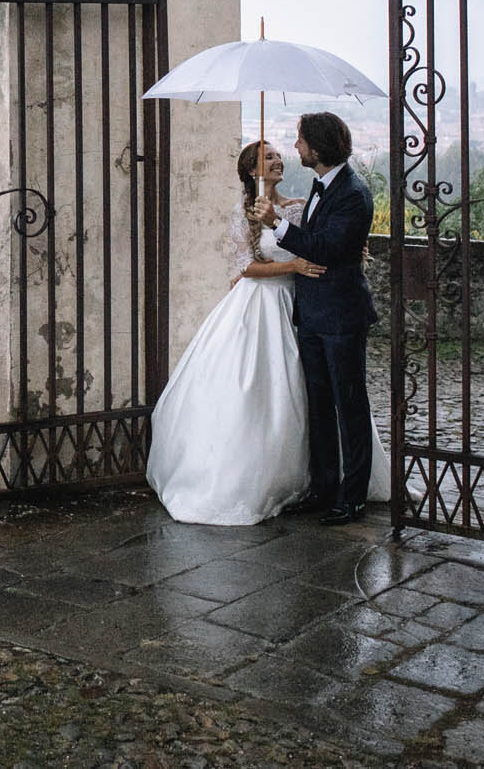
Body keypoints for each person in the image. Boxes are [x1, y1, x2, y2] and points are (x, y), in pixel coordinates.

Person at [147, 140, 388, 525]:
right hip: (258, 305)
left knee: (310, 394)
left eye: (278, 155)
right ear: (251, 172)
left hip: (301, 307)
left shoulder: (297, 206)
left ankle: (329, 480)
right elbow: (246, 267)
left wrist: (348, 248)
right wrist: (292, 265)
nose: (278, 160)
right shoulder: (245, 214)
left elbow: (322, 243)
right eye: (268, 158)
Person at [254, 111, 384, 525]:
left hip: (341, 315)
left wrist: (276, 225)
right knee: (319, 406)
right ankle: (323, 487)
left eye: (300, 141)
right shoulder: (321, 187)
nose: (295, 148)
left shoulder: (352, 193)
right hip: (311, 315)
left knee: (349, 406)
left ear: (319, 146)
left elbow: (325, 248)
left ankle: (354, 496)